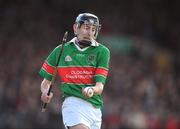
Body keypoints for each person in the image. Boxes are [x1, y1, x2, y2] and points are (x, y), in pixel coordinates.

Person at [39, 12, 110, 129]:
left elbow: (100, 87)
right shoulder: (60, 50)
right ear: (76, 27)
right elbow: (46, 82)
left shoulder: (103, 52)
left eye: (93, 29)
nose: (89, 33)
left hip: (96, 111)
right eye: (86, 28)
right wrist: (44, 92)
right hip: (73, 104)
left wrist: (91, 89)